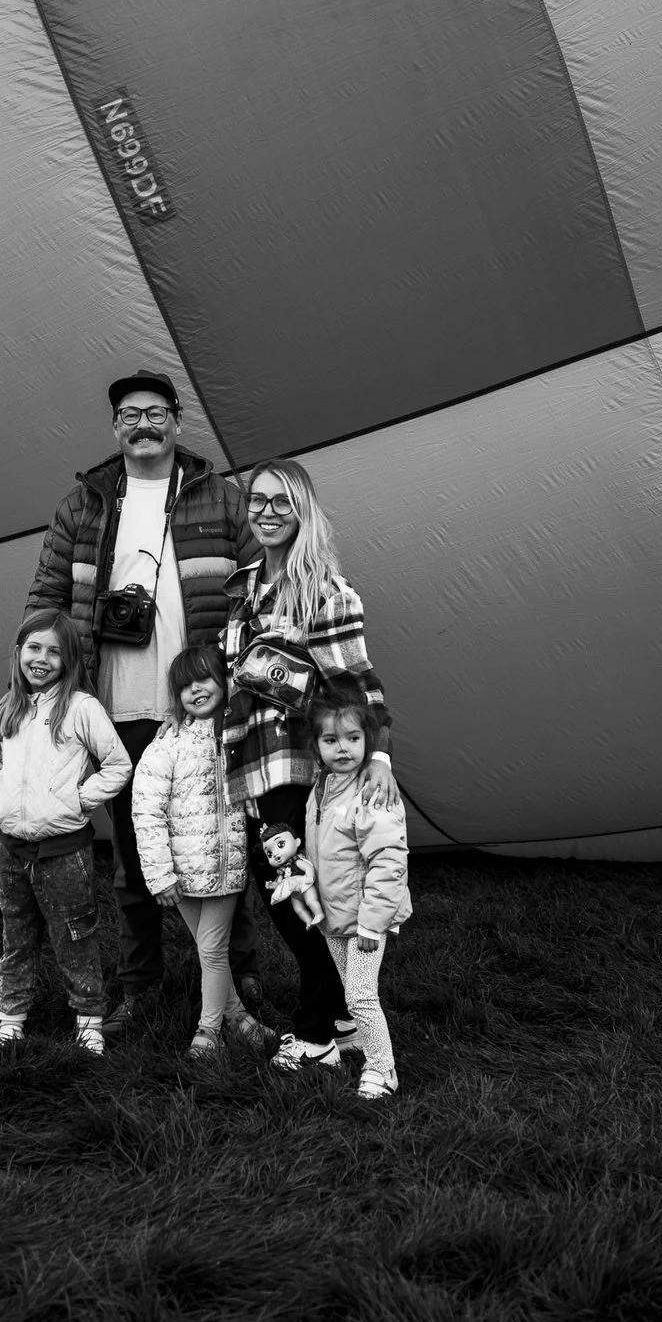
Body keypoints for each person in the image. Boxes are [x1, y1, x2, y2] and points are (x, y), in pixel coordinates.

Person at [27, 371, 262, 1036]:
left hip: (200, 706)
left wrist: (240, 662)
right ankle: (141, 982)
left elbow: (258, 580)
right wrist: (45, 683)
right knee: (133, 855)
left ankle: (237, 973)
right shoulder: (86, 503)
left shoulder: (219, 499)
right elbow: (47, 592)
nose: (143, 425)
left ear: (178, 422)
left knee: (225, 842)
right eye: (129, 415)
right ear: (115, 428)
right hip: (116, 707)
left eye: (156, 413)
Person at [221, 458, 400, 1071]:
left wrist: (377, 753)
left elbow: (356, 680)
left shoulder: (324, 590)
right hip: (248, 760)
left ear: (302, 510)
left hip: (295, 764)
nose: (267, 512)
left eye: (281, 502)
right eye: (257, 501)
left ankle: (318, 1029)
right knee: (288, 892)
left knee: (294, 897)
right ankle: (347, 1017)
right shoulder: (244, 585)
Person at [0, 609, 131, 1054]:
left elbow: (118, 764)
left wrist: (78, 801)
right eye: (33, 648)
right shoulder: (6, 708)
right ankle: (11, 1018)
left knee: (75, 934)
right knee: (16, 932)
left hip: (65, 850)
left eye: (54, 651)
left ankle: (88, 1019)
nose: (41, 659)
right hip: (13, 850)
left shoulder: (82, 708)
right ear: (18, 653)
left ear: (69, 660)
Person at [131, 645, 278, 1059]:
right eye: (184, 686)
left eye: (204, 679)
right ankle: (238, 1017)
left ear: (226, 680)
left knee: (212, 949)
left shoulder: (240, 736)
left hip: (226, 867)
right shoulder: (168, 744)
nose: (195, 690)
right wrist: (160, 875)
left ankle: (207, 1030)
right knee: (207, 950)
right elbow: (146, 810)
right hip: (181, 873)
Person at [301, 677, 411, 1099]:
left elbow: (388, 861)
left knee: (362, 996)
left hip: (365, 919)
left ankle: (383, 1070)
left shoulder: (372, 791)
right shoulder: (321, 789)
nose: (342, 748)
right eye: (331, 739)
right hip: (334, 915)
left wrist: (371, 925)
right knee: (351, 993)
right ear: (317, 746)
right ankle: (362, 1044)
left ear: (368, 740)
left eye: (352, 738)